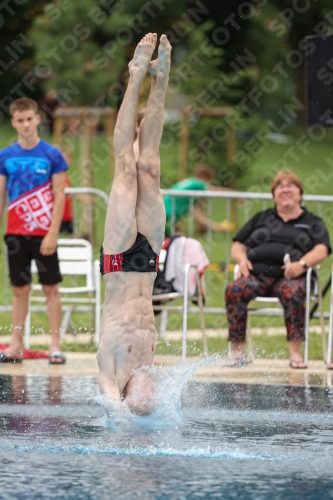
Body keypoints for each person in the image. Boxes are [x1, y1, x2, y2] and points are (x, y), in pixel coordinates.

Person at [97, 33, 171, 414]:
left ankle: (135, 76)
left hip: (119, 260)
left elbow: (108, 401)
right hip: (148, 262)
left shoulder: (109, 375)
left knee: (125, 168)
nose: (152, 394)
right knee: (151, 167)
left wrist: (119, 417)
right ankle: (161, 80)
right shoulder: (146, 369)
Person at [225, 170, 331, 369]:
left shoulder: (312, 222)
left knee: (293, 293)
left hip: (292, 277)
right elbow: (238, 244)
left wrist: (302, 264)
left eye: (291, 185)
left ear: (300, 193)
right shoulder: (261, 218)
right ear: (273, 194)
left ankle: (295, 352)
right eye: (280, 186)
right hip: (258, 275)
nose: (285, 189)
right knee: (235, 289)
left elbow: (322, 248)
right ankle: (237, 352)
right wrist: (241, 259)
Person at [0, 97, 68, 365]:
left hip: (44, 233)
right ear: (14, 123)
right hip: (16, 233)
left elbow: (60, 196)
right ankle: (15, 343)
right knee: (20, 289)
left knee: (50, 287)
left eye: (30, 119)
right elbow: (1, 196)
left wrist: (52, 233)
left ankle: (55, 345)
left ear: (37, 119)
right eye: (20, 120)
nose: (26, 124)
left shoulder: (52, 154)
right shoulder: (6, 156)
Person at [163, 164, 235, 236]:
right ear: (204, 177)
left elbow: (199, 217)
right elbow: (216, 190)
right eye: (208, 181)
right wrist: (236, 195)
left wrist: (219, 227)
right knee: (179, 243)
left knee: (176, 243)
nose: (208, 184)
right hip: (167, 217)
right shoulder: (197, 183)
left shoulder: (190, 187)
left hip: (165, 216)